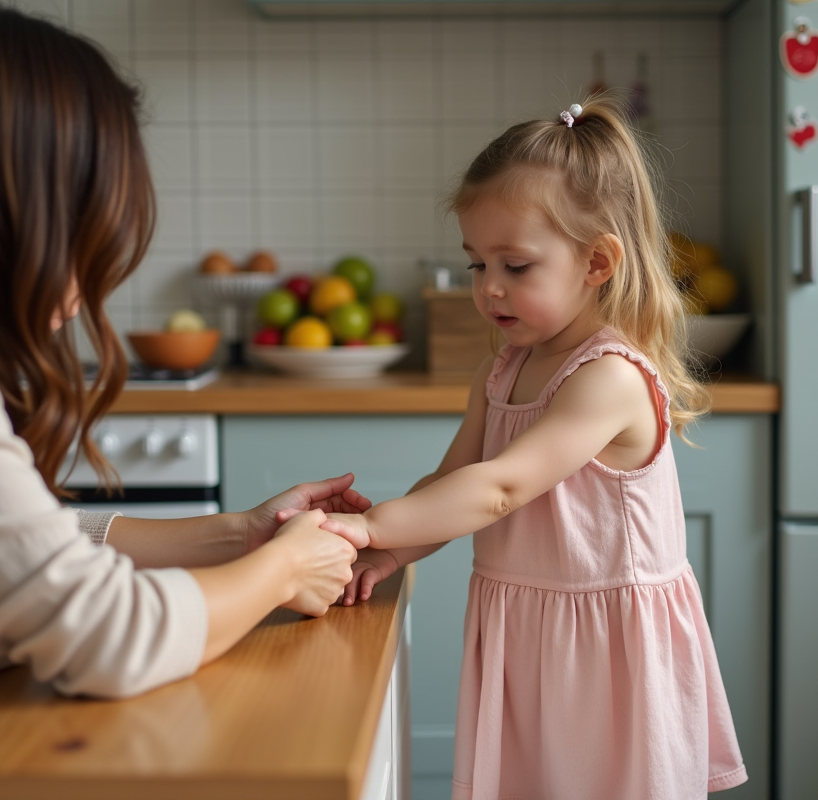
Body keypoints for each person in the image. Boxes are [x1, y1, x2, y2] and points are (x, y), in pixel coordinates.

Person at [0, 4, 363, 797]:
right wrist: (279, 569)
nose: (97, 273)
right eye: (88, 229)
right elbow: (105, 638)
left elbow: (21, 541)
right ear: (9, 208)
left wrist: (236, 536)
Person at [309, 97, 748, 798]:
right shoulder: (503, 370)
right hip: (523, 634)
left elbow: (499, 489)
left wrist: (369, 524)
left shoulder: (609, 378)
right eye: (477, 263)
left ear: (598, 262)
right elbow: (455, 477)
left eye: (515, 266)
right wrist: (394, 548)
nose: (489, 289)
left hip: (607, 653)